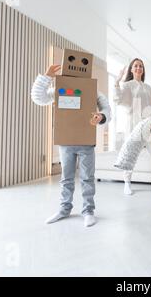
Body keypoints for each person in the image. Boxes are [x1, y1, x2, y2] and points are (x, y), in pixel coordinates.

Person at [31, 64, 112, 227]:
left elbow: (107, 109)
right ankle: (64, 209)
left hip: (86, 143)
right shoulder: (59, 88)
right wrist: (46, 77)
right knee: (66, 178)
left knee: (87, 178)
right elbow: (38, 98)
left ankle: (88, 211)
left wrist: (101, 116)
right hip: (66, 142)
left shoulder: (92, 90)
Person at [114, 58, 151, 196]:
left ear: (143, 69)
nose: (139, 68)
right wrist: (117, 81)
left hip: (148, 125)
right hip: (133, 125)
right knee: (130, 154)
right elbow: (118, 99)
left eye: (141, 66)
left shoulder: (147, 87)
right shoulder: (127, 85)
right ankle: (127, 183)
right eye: (136, 66)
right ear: (131, 69)